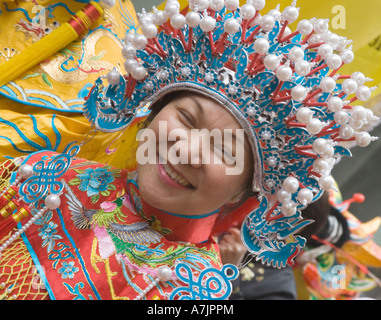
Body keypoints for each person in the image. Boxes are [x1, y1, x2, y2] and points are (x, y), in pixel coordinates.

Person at [0, 0, 378, 300]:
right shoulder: (45, 174)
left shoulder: (193, 293)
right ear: (152, 111)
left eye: (225, 151)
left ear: (245, 195)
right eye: (186, 118)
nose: (187, 150)